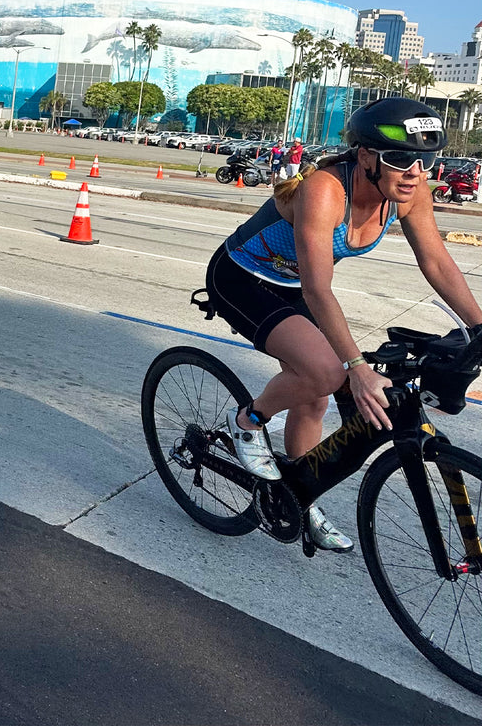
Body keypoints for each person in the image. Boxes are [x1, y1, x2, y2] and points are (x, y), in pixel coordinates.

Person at [205, 97, 482, 552]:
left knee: (315, 396)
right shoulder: (326, 190)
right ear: (367, 156)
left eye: (426, 160)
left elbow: (435, 261)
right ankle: (249, 421)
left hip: (296, 286)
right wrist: (356, 366)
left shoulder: (410, 194)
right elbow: (319, 289)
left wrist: (479, 330)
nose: (415, 171)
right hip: (243, 276)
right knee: (328, 373)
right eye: (401, 159)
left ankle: (297, 497)